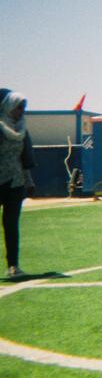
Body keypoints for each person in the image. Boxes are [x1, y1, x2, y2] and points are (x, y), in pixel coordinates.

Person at [0, 89, 36, 278]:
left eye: (23, 108)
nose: (21, 111)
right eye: (18, 107)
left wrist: (29, 181)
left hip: (16, 183)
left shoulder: (22, 130)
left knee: (11, 225)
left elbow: (25, 158)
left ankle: (13, 265)